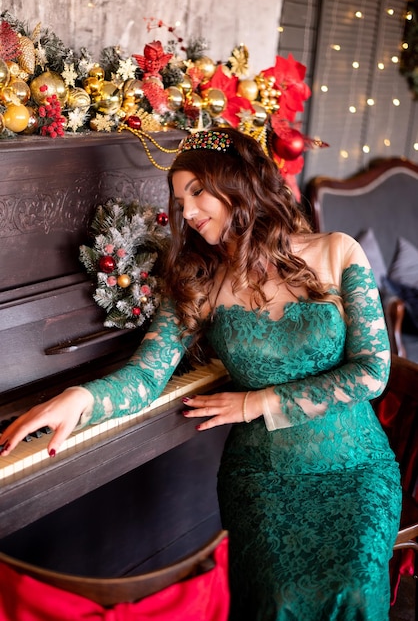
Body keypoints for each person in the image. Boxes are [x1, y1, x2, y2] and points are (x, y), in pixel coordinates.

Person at [0, 127, 401, 620]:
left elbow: (372, 372)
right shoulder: (197, 282)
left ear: (238, 184)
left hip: (354, 469)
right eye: (177, 198)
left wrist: (255, 403)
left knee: (357, 591)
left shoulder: (337, 251)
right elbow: (146, 377)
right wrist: (80, 398)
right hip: (264, 481)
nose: (186, 211)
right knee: (280, 605)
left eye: (196, 192)